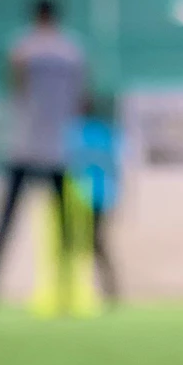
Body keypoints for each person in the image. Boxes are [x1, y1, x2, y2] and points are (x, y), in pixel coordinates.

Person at [0, 0, 86, 300]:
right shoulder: (72, 50)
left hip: (23, 146)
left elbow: (15, 89)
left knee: (5, 221)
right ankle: (67, 287)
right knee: (64, 224)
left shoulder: (22, 48)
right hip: (58, 148)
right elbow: (80, 98)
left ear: (35, 15)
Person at [68, 90, 122, 304]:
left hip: (87, 196)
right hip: (100, 195)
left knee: (92, 242)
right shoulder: (104, 133)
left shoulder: (74, 133)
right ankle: (105, 290)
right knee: (95, 243)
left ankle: (104, 291)